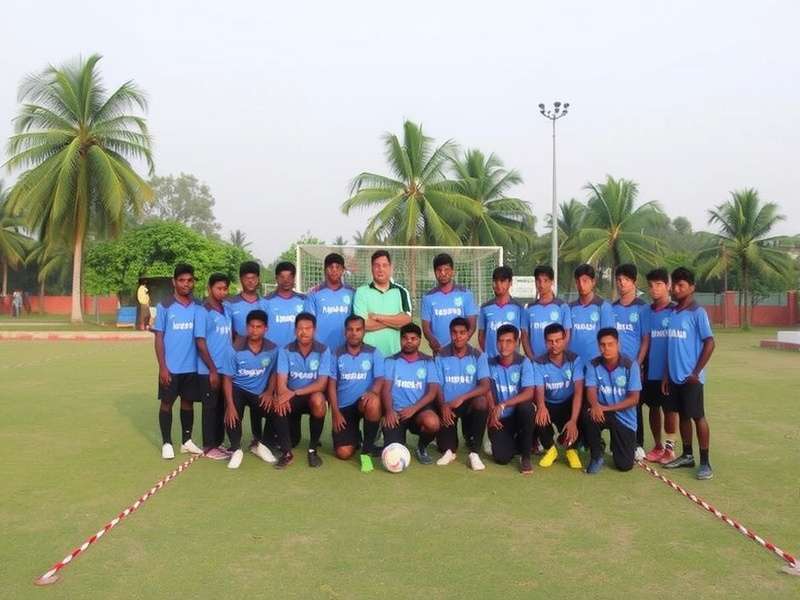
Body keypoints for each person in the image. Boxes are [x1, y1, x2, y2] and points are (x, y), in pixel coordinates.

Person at [662, 267, 715, 480]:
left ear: (691, 287)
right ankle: (687, 455)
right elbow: (671, 346)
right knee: (682, 416)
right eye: (674, 284)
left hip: (691, 378)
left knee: (697, 416)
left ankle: (705, 462)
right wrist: (666, 374)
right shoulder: (673, 312)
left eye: (681, 285)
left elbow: (710, 343)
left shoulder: (697, 312)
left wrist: (696, 372)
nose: (676, 288)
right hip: (674, 377)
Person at [152, 264, 203, 460]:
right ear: (174, 282)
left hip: (192, 367)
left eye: (189, 280)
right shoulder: (164, 306)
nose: (186, 284)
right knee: (167, 403)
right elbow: (158, 338)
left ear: (193, 282)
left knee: (188, 403)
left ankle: (186, 441)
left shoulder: (199, 306)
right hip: (171, 368)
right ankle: (167, 443)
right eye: (181, 280)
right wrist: (162, 367)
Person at [271, 312, 331, 469]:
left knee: (319, 400)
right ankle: (286, 453)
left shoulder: (324, 350)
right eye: (299, 328)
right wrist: (284, 394)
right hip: (293, 399)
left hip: (310, 396)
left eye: (308, 328)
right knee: (279, 401)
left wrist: (294, 392)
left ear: (314, 330)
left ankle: (312, 449)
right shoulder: (285, 350)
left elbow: (321, 384)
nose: (303, 332)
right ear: (294, 330)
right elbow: (281, 381)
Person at [220, 310, 279, 469]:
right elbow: (227, 378)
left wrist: (269, 392)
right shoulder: (235, 348)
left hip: (259, 393)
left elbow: (274, 372)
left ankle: (261, 445)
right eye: (251, 326)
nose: (254, 330)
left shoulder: (273, 348)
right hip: (238, 389)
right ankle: (236, 448)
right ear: (247, 328)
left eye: (258, 327)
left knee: (276, 408)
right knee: (231, 413)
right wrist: (230, 405)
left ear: (265, 328)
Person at [327, 314, 384, 473]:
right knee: (343, 453)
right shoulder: (336, 354)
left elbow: (380, 379)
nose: (354, 333)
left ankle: (366, 452)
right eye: (350, 330)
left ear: (364, 331)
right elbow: (331, 384)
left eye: (358, 329)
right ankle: (355, 438)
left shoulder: (373, 352)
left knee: (374, 402)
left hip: (363, 402)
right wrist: (335, 412)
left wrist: (373, 392)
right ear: (345, 332)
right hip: (344, 408)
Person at [581, 328, 641, 474]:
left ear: (618, 344)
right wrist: (595, 405)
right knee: (587, 414)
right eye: (603, 345)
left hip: (624, 418)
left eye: (610, 344)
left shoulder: (630, 365)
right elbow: (590, 390)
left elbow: (634, 399)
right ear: (598, 345)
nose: (606, 348)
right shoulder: (593, 365)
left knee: (624, 466)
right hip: (602, 413)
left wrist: (605, 408)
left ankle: (618, 444)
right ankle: (596, 454)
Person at [434, 317, 490, 470]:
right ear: (450, 333)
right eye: (454, 332)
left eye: (462, 333)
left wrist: (462, 398)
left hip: (469, 404)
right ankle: (449, 450)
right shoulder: (441, 355)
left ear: (468, 334)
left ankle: (474, 453)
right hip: (448, 406)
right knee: (447, 448)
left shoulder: (478, 356)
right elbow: (436, 386)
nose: (458, 336)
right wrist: (443, 405)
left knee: (482, 402)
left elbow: (485, 385)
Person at [381, 323, 441, 465]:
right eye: (405, 338)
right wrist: (389, 411)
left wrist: (414, 409)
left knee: (432, 423)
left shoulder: (428, 362)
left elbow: (433, 391)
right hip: (397, 413)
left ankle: (421, 447)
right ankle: (387, 434)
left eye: (413, 338)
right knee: (394, 449)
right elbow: (386, 389)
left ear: (419, 340)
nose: (409, 342)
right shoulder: (391, 361)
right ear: (400, 340)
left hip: (418, 411)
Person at [226, 261, 270, 448]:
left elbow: (268, 331)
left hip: (261, 360)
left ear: (258, 280)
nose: (250, 281)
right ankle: (234, 443)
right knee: (236, 399)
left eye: (254, 278)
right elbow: (228, 333)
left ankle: (258, 439)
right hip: (239, 359)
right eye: (247, 278)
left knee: (260, 399)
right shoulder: (230, 303)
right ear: (241, 280)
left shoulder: (265, 303)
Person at [611, 263, 650, 460]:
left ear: (634, 281)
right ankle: (615, 441)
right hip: (613, 365)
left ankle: (637, 443)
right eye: (618, 280)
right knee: (614, 400)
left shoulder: (642, 308)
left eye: (625, 280)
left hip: (633, 365)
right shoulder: (612, 308)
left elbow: (645, 339)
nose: (621, 283)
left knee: (634, 403)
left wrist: (638, 364)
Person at [194, 273, 235, 460]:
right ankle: (209, 446)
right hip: (209, 369)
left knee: (221, 407)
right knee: (210, 408)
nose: (222, 292)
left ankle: (218, 443)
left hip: (225, 368)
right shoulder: (203, 311)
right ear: (209, 288)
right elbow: (201, 343)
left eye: (225, 288)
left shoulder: (226, 309)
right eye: (218, 288)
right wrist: (212, 369)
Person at [532, 323, 584, 470]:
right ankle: (550, 449)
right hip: (549, 403)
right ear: (545, 342)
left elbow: (579, 390)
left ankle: (571, 449)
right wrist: (541, 406)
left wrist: (573, 420)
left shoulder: (575, 359)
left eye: (558, 340)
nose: (554, 345)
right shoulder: (538, 362)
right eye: (550, 341)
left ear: (565, 339)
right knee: (538, 411)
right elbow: (539, 389)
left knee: (582, 408)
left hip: (567, 402)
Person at [640, 268, 679, 464]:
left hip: (670, 372)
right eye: (651, 285)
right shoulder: (645, 311)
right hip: (649, 370)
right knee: (653, 408)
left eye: (659, 284)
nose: (654, 289)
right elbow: (644, 341)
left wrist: (669, 371)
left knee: (669, 409)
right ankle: (657, 446)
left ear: (668, 286)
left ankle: (670, 449)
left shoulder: (675, 311)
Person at [486, 324, 536, 474]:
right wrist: (492, 412)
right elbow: (486, 389)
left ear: (516, 343)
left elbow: (529, 393)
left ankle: (526, 457)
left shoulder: (524, 362)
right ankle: (517, 442)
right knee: (502, 458)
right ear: (496, 343)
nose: (504, 345)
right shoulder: (489, 364)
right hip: (501, 418)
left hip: (518, 414)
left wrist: (503, 404)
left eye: (509, 341)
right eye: (500, 341)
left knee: (527, 408)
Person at [352, 250, 412, 356]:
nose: (380, 269)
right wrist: (395, 322)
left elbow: (406, 321)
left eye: (384, 265)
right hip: (368, 355)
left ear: (390, 268)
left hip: (395, 355)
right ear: (371, 268)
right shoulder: (361, 292)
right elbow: (362, 325)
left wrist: (378, 317)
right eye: (377, 265)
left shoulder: (401, 291)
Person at [421, 253, 478, 354]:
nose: (443, 273)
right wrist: (432, 341)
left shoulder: (466, 294)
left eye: (446, 269)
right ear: (435, 272)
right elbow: (426, 328)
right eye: (439, 270)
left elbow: (472, 324)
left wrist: (462, 342)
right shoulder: (428, 298)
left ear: (452, 271)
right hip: (439, 352)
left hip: (461, 353)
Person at [304, 252, 355, 351]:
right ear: (325, 270)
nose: (334, 270)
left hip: (346, 350)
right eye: (330, 267)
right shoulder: (314, 293)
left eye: (338, 267)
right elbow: (308, 323)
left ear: (343, 270)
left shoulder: (352, 293)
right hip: (321, 350)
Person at [522, 265, 572, 360]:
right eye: (538, 281)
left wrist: (557, 357)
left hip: (556, 362)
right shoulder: (528, 308)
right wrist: (533, 359)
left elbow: (566, 335)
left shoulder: (562, 307)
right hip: (535, 363)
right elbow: (524, 337)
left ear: (552, 282)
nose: (541, 285)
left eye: (545, 280)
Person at [568, 264, 615, 363]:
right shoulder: (569, 308)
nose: (581, 285)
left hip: (596, 364)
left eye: (585, 281)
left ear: (593, 282)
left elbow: (609, 338)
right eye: (578, 281)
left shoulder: (604, 307)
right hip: (573, 363)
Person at [478, 266, 525, 359]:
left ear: (510, 283)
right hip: (491, 361)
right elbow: (481, 336)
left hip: (512, 362)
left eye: (502, 281)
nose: (498, 285)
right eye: (495, 281)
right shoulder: (485, 308)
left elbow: (523, 336)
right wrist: (490, 355)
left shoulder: (519, 308)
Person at [264, 261, 308, 349]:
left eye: (290, 277)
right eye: (282, 277)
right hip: (271, 354)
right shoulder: (265, 302)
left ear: (294, 278)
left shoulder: (304, 300)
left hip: (296, 353)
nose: (286, 280)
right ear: (276, 278)